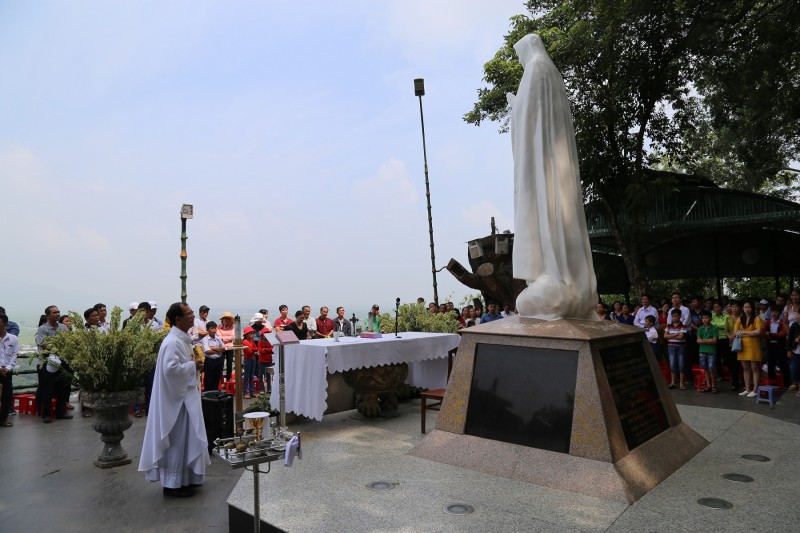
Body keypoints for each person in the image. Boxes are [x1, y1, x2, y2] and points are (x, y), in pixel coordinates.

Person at [509, 34, 598, 320]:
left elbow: (529, 118)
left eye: (518, 55)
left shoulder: (535, 68)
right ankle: (567, 280)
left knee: (545, 214)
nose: (520, 60)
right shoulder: (552, 74)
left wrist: (515, 110)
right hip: (553, 161)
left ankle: (552, 274)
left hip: (541, 162)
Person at [139, 302, 209, 497]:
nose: (193, 316)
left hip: (185, 397)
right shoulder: (172, 342)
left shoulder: (182, 339)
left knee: (188, 438)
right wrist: (193, 366)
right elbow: (170, 370)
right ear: (178, 319)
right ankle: (173, 484)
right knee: (177, 440)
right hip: (175, 402)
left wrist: (193, 365)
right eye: (189, 313)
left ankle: (187, 478)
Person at [34, 305, 72, 423]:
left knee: (63, 387)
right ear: (48, 315)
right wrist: (59, 346)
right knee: (48, 389)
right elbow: (44, 345)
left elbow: (68, 342)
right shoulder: (43, 329)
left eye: (58, 312)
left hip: (62, 361)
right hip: (47, 362)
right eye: (54, 312)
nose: (57, 314)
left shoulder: (63, 327)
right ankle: (46, 414)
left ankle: (60, 412)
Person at [734, 301, 763, 398]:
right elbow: (735, 332)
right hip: (742, 346)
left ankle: (755, 390)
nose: (747, 309)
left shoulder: (756, 318)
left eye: (749, 307)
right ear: (743, 308)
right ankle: (747, 389)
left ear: (752, 308)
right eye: (745, 307)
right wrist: (750, 333)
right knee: (745, 368)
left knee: (754, 368)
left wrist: (744, 333)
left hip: (753, 346)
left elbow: (758, 331)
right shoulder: (740, 319)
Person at [0, 314, 19, 427]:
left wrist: (8, 368)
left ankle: (3, 418)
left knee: (6, 396)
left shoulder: (13, 338)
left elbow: (15, 354)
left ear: (5, 325)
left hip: (7, 371)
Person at [761, 307, 788, 387]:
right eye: (772, 312)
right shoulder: (767, 322)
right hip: (770, 346)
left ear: (779, 313)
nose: (774, 314)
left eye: (776, 312)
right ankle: (772, 383)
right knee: (771, 364)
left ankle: (786, 383)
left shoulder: (782, 323)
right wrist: (773, 336)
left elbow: (782, 334)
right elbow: (764, 333)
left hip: (780, 346)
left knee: (783, 364)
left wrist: (770, 334)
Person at [664, 309, 688, 390]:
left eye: (676, 316)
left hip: (681, 347)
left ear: (680, 316)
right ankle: (673, 382)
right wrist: (676, 334)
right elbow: (665, 336)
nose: (674, 318)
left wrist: (670, 336)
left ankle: (681, 383)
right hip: (671, 347)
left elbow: (681, 337)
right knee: (672, 364)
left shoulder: (683, 326)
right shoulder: (668, 326)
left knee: (681, 364)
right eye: (673, 316)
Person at [696, 310, 718, 393]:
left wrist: (703, 340)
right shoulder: (700, 329)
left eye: (706, 318)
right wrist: (709, 340)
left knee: (711, 368)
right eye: (703, 318)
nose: (704, 320)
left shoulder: (714, 328)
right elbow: (698, 341)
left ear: (711, 318)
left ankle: (714, 386)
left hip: (711, 351)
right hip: (702, 351)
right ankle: (708, 385)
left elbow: (714, 341)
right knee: (705, 369)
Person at [201, 321, 225, 392]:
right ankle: (207, 394)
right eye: (211, 328)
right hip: (209, 361)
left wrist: (213, 348)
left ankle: (215, 393)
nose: (214, 329)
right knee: (208, 378)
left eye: (215, 328)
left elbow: (223, 348)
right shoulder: (205, 339)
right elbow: (207, 351)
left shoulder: (218, 338)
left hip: (218, 360)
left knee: (217, 378)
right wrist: (218, 350)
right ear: (207, 330)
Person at [724, 300, 743, 391]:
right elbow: (726, 330)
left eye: (736, 307)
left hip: (743, 343)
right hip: (732, 344)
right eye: (732, 307)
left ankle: (744, 382)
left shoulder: (743, 317)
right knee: (733, 364)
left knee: (743, 364)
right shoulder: (728, 318)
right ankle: (735, 383)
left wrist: (737, 335)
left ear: (740, 308)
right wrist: (729, 336)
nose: (734, 309)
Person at [217, 312, 235, 381]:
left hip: (230, 348)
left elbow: (232, 337)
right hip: (222, 348)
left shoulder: (232, 327)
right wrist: (227, 339)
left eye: (228, 319)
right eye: (225, 319)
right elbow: (219, 337)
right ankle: (220, 379)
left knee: (229, 364)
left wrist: (223, 339)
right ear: (223, 320)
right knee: (220, 364)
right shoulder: (219, 327)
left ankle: (228, 379)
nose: (227, 320)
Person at [241, 327, 258, 399]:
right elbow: (249, 352)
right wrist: (253, 350)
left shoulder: (251, 340)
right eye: (251, 333)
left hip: (253, 359)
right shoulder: (244, 341)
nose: (252, 335)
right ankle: (245, 392)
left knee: (251, 376)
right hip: (248, 359)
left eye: (253, 333)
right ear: (246, 334)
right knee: (246, 376)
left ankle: (251, 392)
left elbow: (256, 348)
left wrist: (252, 349)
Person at [257, 329, 274, 394]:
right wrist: (268, 350)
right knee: (260, 375)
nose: (266, 335)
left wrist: (265, 349)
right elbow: (261, 351)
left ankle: (269, 389)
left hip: (269, 360)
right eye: (265, 334)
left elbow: (272, 349)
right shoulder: (259, 342)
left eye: (267, 333)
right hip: (261, 361)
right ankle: (261, 389)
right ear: (262, 335)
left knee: (269, 375)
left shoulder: (270, 341)